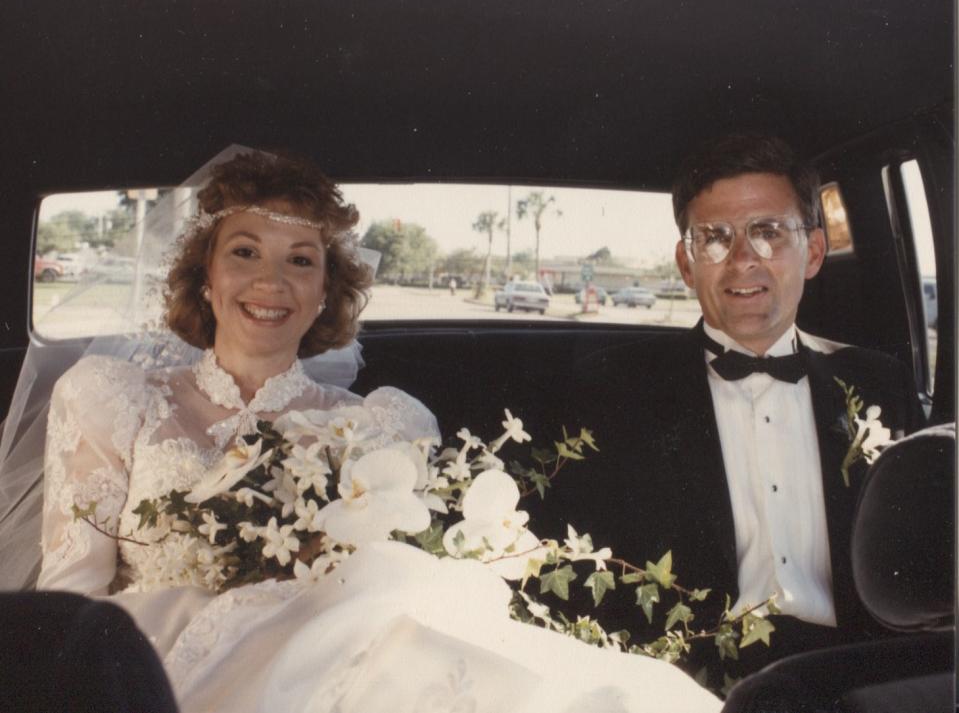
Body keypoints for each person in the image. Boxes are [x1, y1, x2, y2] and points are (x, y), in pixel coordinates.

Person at [29, 150, 719, 713]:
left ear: (327, 290)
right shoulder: (113, 399)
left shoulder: (376, 424)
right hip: (170, 671)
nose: (270, 281)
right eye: (244, 252)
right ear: (204, 277)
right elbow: (71, 607)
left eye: (300, 259)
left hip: (352, 661)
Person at [535, 134, 925, 685]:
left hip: (854, 677)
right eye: (714, 238)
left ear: (813, 252)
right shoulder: (607, 391)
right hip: (686, 684)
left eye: (769, 233)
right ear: (686, 264)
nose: (743, 260)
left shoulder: (881, 384)